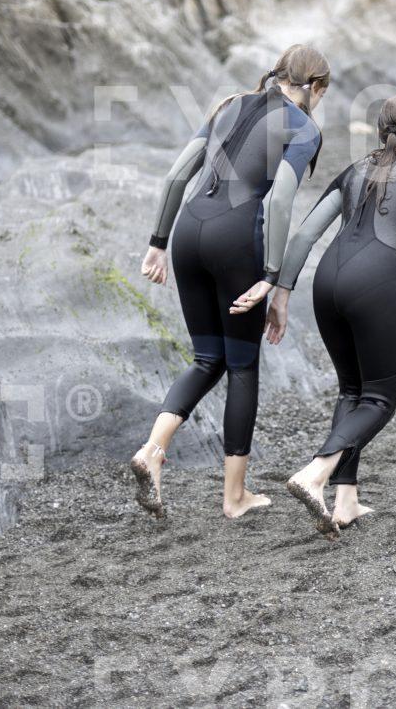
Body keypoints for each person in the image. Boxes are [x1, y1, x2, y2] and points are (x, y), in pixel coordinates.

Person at [233, 92, 396, 538]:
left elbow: (304, 234)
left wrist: (282, 292)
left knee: (352, 391)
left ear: (382, 131)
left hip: (327, 283)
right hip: (373, 286)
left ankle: (345, 500)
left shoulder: (352, 172)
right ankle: (315, 474)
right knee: (380, 401)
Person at [131, 45, 329, 519]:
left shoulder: (228, 105)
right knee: (241, 365)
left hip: (188, 234)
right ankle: (234, 496)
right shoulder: (304, 128)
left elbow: (179, 174)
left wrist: (157, 242)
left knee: (206, 358)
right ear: (316, 86)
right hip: (235, 241)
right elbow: (280, 200)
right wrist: (272, 278)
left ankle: (153, 451)